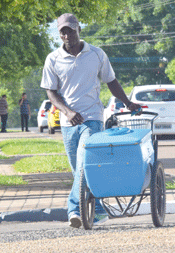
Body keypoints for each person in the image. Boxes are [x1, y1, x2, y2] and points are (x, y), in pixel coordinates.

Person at [40, 13, 141, 228]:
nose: (67, 35)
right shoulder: (53, 59)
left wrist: (128, 102)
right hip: (68, 123)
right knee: (79, 170)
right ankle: (100, 209)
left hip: (92, 118)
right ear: (59, 34)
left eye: (70, 30)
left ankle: (74, 210)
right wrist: (66, 112)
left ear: (79, 29)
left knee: (85, 166)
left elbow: (111, 82)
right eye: (63, 31)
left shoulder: (96, 54)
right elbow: (51, 92)